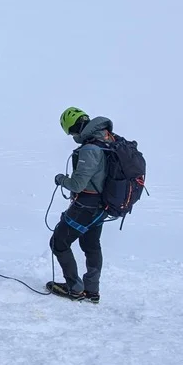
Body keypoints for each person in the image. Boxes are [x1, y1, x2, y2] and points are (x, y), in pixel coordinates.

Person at [46, 107, 109, 304]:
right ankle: (92, 290)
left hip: (86, 206)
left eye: (71, 132)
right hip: (102, 205)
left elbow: (77, 184)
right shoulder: (107, 141)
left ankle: (75, 288)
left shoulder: (90, 149)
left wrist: (60, 179)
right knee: (91, 245)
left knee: (59, 242)